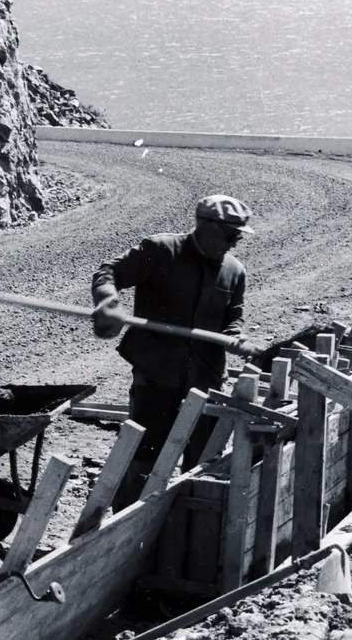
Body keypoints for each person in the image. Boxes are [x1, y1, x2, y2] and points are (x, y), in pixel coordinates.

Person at [91, 194, 263, 508]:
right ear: (206, 226)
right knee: (143, 457)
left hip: (206, 379)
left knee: (202, 464)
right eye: (230, 235)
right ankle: (125, 534)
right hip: (157, 375)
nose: (234, 243)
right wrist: (107, 300)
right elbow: (108, 273)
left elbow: (232, 317)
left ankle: (182, 532)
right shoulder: (162, 250)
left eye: (238, 237)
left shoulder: (234, 271)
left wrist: (236, 337)